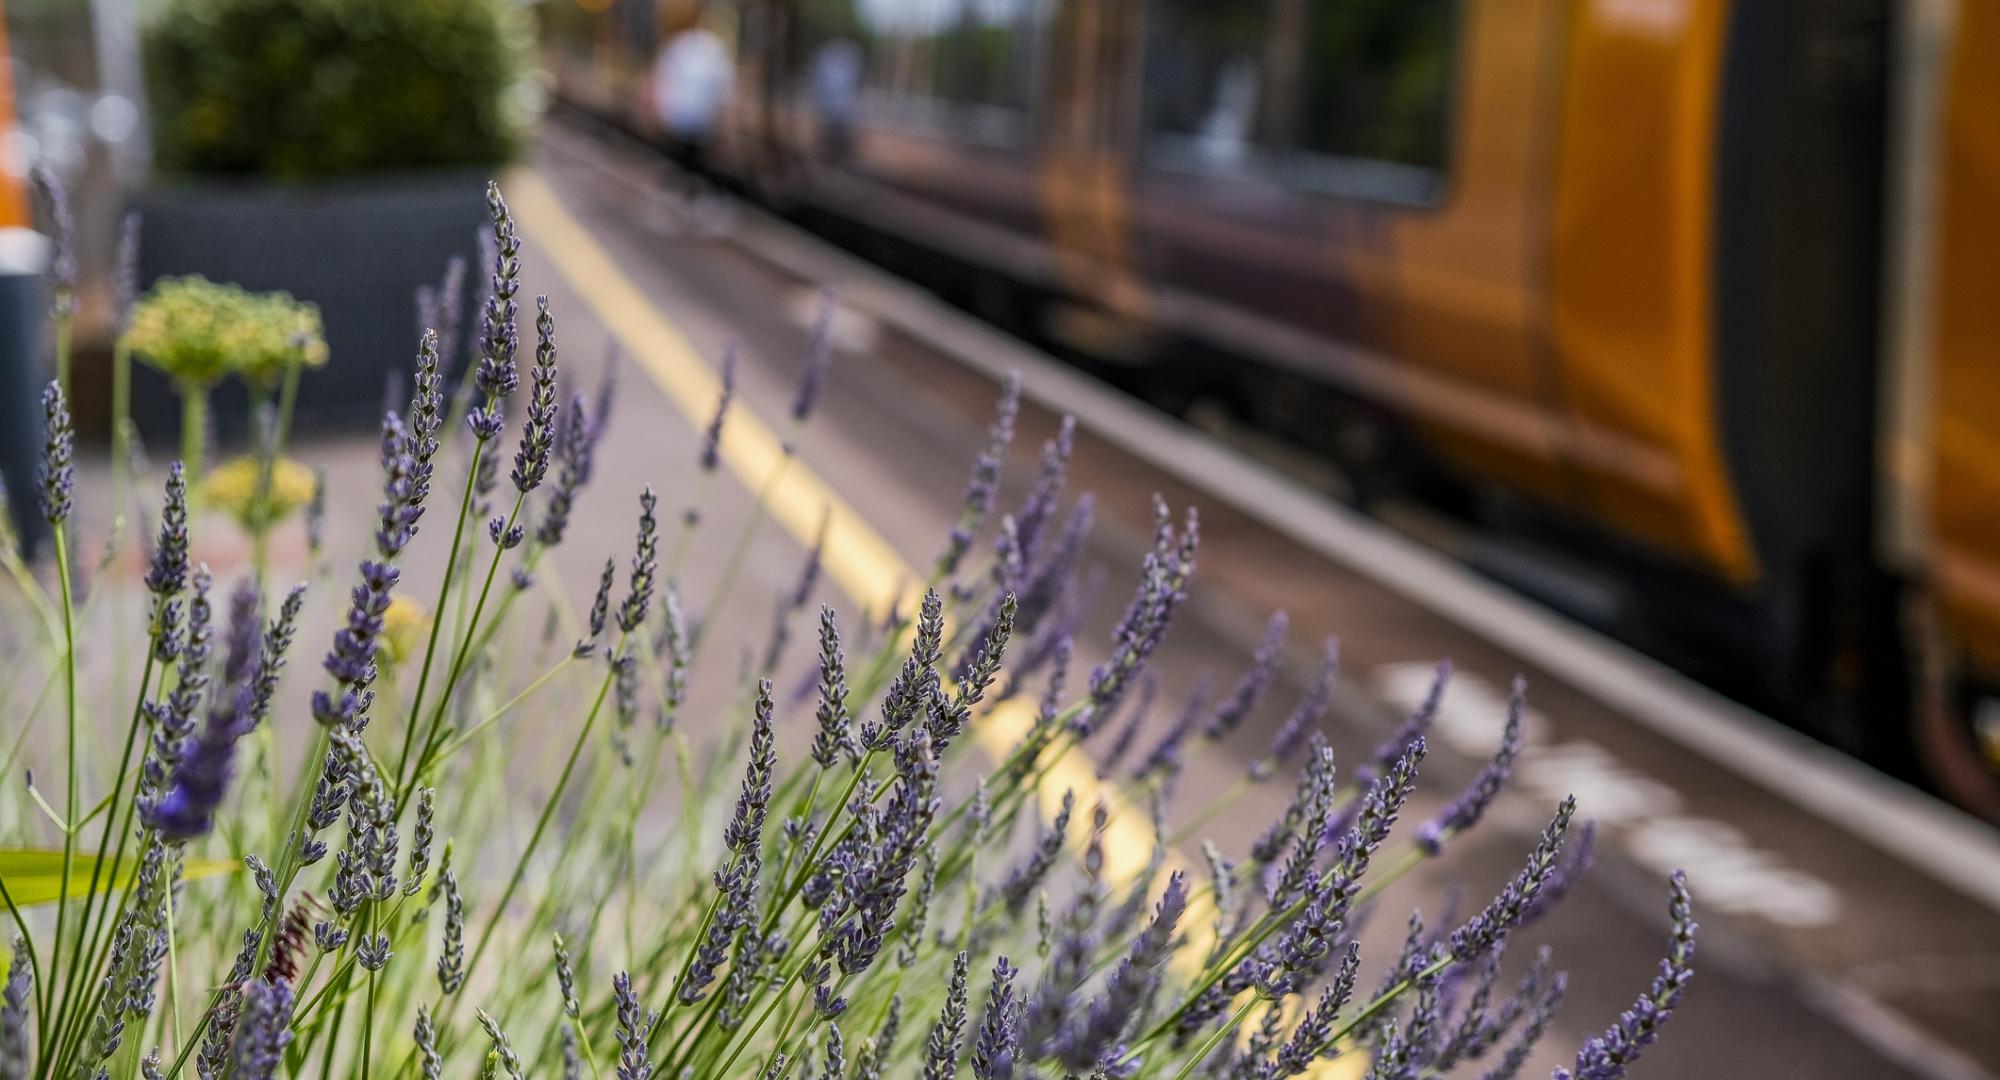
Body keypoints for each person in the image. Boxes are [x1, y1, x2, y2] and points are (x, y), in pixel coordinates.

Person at [652, 17, 734, 175]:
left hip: (688, 116)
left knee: (688, 152)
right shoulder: (708, 47)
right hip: (689, 116)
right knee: (687, 152)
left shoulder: (692, 46)